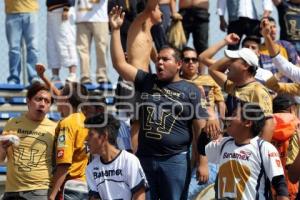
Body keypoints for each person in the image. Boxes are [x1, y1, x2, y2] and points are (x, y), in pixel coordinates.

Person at [110, 6, 208, 199]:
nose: (160, 62)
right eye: (159, 59)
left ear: (178, 64)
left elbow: (200, 130)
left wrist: (202, 162)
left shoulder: (191, 90)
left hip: (176, 161)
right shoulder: (147, 81)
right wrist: (115, 31)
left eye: (166, 59)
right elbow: (120, 65)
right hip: (146, 160)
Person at [206, 102, 289, 200]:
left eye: (234, 115)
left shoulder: (264, 148)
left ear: (248, 123)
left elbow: (280, 185)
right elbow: (202, 150)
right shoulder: (223, 143)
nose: (228, 118)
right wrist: (207, 129)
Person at [0, 82, 57, 200]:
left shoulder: (55, 128)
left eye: (47, 101)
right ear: (28, 100)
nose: (42, 104)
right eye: (38, 99)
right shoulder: (13, 123)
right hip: (12, 191)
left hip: (39, 191)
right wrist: (3, 147)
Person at [85, 113, 148, 200]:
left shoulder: (129, 160)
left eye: (90, 134)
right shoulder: (91, 168)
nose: (86, 139)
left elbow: (139, 195)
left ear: (104, 136)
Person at [49, 82, 89, 200]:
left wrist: (52, 194)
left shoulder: (67, 123)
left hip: (68, 188)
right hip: (84, 184)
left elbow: (64, 163)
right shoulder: (85, 120)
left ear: (65, 99)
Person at [4, 0, 39, 84]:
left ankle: (34, 77)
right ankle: (14, 78)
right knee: (14, 49)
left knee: (33, 47)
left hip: (30, 11)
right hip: (12, 13)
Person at [271, 95, 299, 200]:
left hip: (268, 188)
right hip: (292, 188)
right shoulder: (298, 128)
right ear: (292, 109)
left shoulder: (264, 128)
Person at [76, 0, 110, 84]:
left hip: (99, 17)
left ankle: (102, 76)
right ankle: (85, 77)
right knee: (82, 50)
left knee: (102, 48)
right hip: (81, 17)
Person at [259, 16, 299, 83]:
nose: (272, 30)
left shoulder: (286, 45)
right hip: (267, 90)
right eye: (269, 27)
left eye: (274, 27)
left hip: (287, 89)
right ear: (261, 31)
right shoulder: (257, 49)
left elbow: (296, 66)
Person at [46, 0, 77, 83]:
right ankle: (55, 76)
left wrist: (66, 8)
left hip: (63, 9)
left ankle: (72, 74)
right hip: (51, 10)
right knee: (51, 44)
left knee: (67, 41)